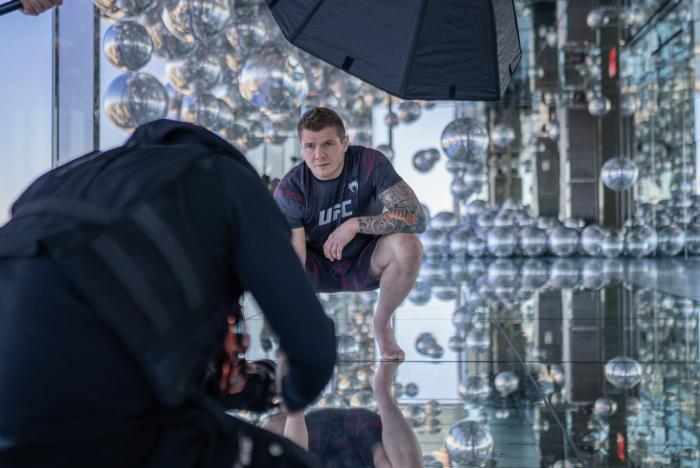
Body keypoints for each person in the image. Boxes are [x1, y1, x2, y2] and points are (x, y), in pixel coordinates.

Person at [0, 119, 336, 468]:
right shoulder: (226, 179)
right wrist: (290, 391)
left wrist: (254, 390)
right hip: (92, 374)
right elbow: (312, 350)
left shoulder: (62, 180)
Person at [274, 107, 426, 361]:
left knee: (409, 245)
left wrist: (355, 225)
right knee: (277, 259)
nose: (319, 155)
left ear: (345, 143)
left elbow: (416, 215)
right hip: (317, 268)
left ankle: (381, 323)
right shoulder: (291, 189)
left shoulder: (369, 163)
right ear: (301, 148)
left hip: (366, 260)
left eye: (328, 144)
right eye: (309, 146)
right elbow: (295, 261)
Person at [263, 361, 423, 468]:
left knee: (286, 458)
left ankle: (295, 391)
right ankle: (381, 386)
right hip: (366, 439)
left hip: (315, 436)